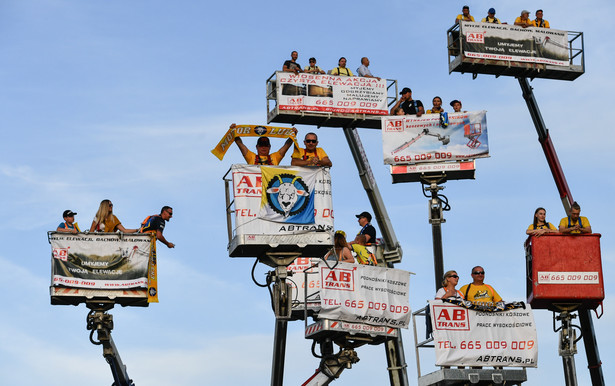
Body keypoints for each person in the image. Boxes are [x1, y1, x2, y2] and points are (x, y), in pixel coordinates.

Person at [231, 124, 296, 165]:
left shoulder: (275, 157)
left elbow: (286, 146)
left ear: (269, 147)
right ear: (257, 147)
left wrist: (293, 135)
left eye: (266, 145)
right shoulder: (251, 157)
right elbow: (240, 144)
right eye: (261, 145)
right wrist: (234, 132)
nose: (263, 147)